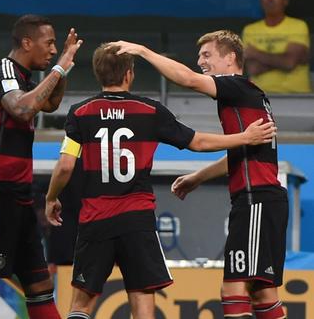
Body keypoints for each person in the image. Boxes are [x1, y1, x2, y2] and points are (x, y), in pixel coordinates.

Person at [44, 43, 276, 319]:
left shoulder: (80, 113)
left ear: (97, 74)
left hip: (95, 218)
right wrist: (243, 138)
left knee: (81, 304)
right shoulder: (149, 111)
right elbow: (198, 142)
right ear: (130, 74)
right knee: (142, 301)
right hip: (137, 220)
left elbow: (65, 166)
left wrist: (51, 197)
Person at [112, 30, 288, 319]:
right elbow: (244, 152)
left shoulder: (235, 87)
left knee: (233, 291)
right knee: (262, 293)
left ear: (231, 58)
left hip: (256, 201)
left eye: (207, 55)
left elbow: (187, 79)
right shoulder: (247, 95)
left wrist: (143, 51)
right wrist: (198, 177)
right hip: (263, 201)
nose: (199, 61)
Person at [0, 14, 82, 319]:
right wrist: (58, 68)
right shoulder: (3, 70)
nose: (53, 49)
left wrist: (62, 68)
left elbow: (49, 103)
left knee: (40, 284)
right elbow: (23, 109)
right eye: (49, 43)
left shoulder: (22, 76)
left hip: (19, 195)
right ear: (27, 42)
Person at [242, 0, 310, 93]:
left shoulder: (298, 26)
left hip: (296, 99)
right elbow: (253, 69)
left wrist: (256, 53)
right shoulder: (250, 30)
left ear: (285, 0)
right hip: (260, 98)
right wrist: (281, 61)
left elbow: (289, 63)